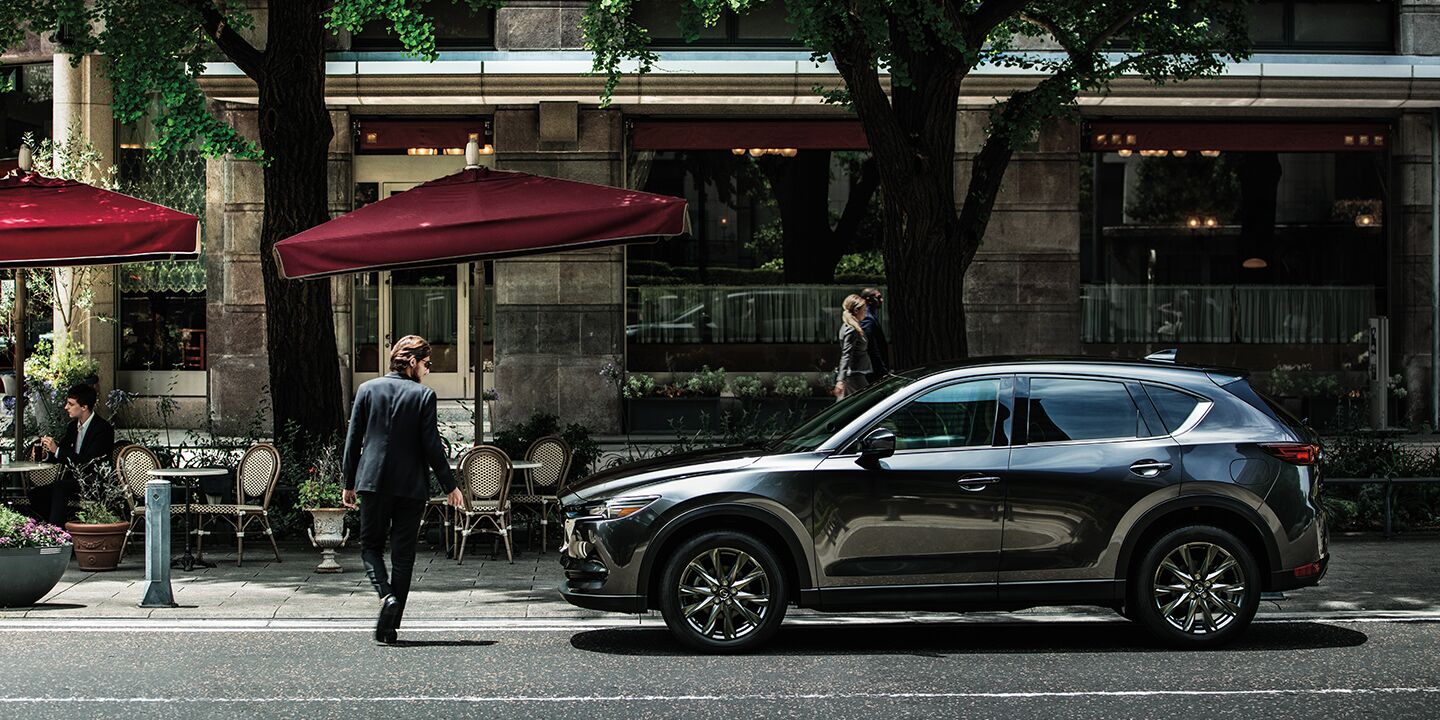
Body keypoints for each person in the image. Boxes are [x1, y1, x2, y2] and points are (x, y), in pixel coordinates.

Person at [342, 335, 463, 645]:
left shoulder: (367, 390)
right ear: (412, 362)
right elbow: (432, 446)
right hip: (411, 486)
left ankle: (386, 596)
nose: (428, 369)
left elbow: (353, 441)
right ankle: (391, 627)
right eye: (426, 363)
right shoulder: (424, 396)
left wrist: (348, 483)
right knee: (404, 556)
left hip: (373, 482)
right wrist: (451, 486)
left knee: (370, 546)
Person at [30, 384, 115, 526]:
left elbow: (88, 462)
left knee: (60, 487)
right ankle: (53, 529)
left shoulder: (103, 429)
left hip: (93, 482)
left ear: (84, 407)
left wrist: (56, 450)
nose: (66, 407)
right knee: (36, 494)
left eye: (70, 404)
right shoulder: (72, 427)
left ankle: (57, 533)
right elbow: (61, 452)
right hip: (73, 482)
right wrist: (46, 454)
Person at [834, 294, 873, 399]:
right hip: (854, 374)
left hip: (854, 373)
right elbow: (846, 354)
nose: (866, 312)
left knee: (846, 405)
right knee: (868, 401)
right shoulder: (852, 329)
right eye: (864, 310)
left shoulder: (849, 326)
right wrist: (840, 380)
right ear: (856, 311)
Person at [859, 287, 891, 380]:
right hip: (873, 370)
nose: (882, 300)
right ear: (868, 300)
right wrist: (882, 370)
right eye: (878, 297)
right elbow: (871, 347)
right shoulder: (867, 318)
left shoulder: (871, 315)